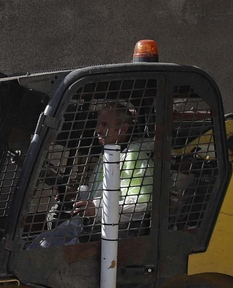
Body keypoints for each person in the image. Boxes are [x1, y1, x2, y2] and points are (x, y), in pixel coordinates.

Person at [32, 102, 155, 247]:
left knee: (53, 251)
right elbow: (98, 194)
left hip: (116, 231)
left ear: (122, 129)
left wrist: (96, 208)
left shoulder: (135, 157)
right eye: (98, 124)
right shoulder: (109, 154)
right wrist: (77, 196)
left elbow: (141, 204)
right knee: (40, 244)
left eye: (104, 125)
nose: (98, 129)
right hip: (89, 225)